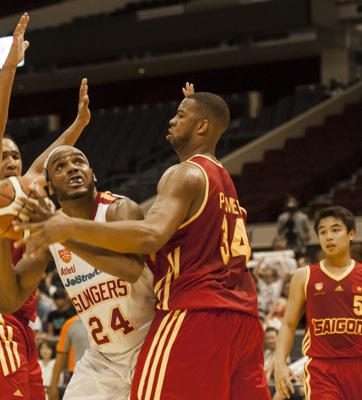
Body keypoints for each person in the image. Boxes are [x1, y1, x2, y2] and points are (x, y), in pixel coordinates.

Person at [18, 91, 270, 399]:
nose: (171, 119)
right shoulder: (222, 180)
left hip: (195, 311)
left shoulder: (182, 174)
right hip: (243, 317)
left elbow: (151, 235)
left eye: (180, 115)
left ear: (202, 128)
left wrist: (67, 227)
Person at [0, 12, 90, 400]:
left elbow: (45, 163)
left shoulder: (22, 190)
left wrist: (79, 124)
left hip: (18, 321)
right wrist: (10, 67)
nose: (12, 161)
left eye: (17, 157)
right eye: (4, 157)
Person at [0, 145, 156, 399]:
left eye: (79, 162)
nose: (71, 168)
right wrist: (0, 236)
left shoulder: (118, 209)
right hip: (104, 359)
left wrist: (66, 234)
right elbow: (7, 301)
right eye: (60, 167)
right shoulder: (49, 234)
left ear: (93, 174)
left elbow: (132, 270)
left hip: (150, 347)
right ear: (50, 187)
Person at [274, 206, 362, 399]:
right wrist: (279, 362)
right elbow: (289, 325)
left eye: (336, 230)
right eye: (323, 232)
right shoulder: (304, 275)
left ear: (351, 234)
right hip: (322, 369)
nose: (328, 236)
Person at [49, 315, 89, 400]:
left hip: (107, 375)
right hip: (77, 376)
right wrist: (53, 385)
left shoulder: (109, 317)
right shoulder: (70, 324)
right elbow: (61, 356)